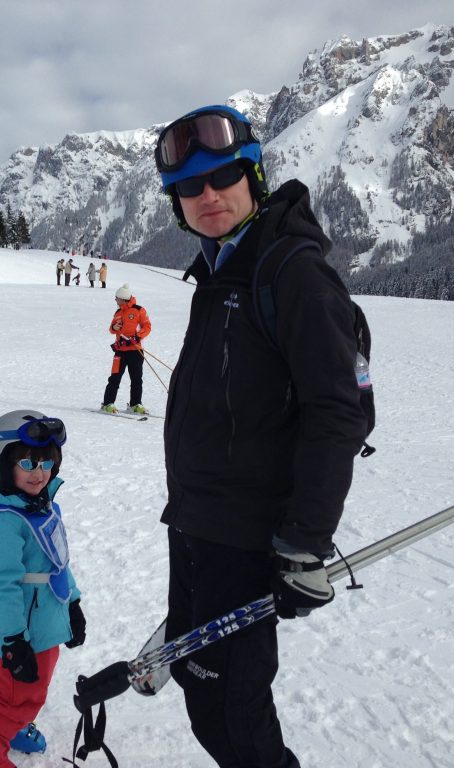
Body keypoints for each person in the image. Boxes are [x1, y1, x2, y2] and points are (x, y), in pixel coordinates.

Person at [154, 104, 369, 768]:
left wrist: (304, 542)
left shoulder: (291, 273)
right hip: (198, 525)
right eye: (191, 188)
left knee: (233, 708)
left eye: (222, 178)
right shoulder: (220, 271)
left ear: (254, 178)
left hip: (248, 537)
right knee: (200, 685)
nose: (208, 196)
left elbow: (340, 410)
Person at [0, 410, 85, 768]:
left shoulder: (43, 508)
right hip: (22, 631)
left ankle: (15, 727)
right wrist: (13, 640)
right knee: (8, 699)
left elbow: (58, 562)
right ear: (1, 465)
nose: (39, 473)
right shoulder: (1, 522)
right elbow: (1, 587)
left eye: (46, 462)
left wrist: (73, 604)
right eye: (27, 462)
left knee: (30, 693)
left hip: (46, 623)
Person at [100, 284, 151, 415]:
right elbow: (111, 328)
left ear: (123, 298)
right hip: (120, 352)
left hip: (135, 351)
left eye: (116, 298)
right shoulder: (117, 313)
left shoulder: (139, 310)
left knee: (136, 379)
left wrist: (137, 337)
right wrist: (114, 328)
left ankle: (135, 404)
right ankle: (107, 404)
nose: (115, 300)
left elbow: (147, 326)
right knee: (114, 378)